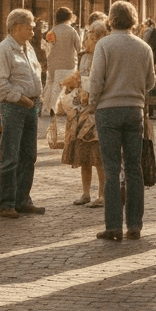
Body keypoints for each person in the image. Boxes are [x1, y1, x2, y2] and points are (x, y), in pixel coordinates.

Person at [88, 1, 155, 241]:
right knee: (134, 168)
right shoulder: (144, 47)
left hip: (108, 109)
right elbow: (150, 82)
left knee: (112, 169)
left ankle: (113, 225)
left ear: (111, 19)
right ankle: (135, 224)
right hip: (134, 109)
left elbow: (96, 80)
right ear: (133, 20)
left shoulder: (104, 45)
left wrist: (92, 102)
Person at [0, 8, 45, 219]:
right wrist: (23, 100)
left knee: (28, 155)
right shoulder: (3, 50)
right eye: (30, 27)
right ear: (16, 27)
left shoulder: (28, 48)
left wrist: (35, 100)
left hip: (31, 106)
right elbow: (1, 84)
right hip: (14, 107)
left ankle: (23, 199)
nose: (33, 30)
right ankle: (6, 203)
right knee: (10, 156)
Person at [60, 20, 108, 207]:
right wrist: (71, 82)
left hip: (97, 109)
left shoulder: (104, 55)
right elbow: (80, 76)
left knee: (98, 156)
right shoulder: (84, 57)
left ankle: (102, 194)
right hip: (82, 109)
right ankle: (86, 193)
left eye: (88, 37)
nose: (85, 40)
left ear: (97, 38)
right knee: (83, 155)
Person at [42, 6, 83, 116]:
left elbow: (47, 48)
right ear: (69, 17)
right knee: (64, 87)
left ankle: (48, 108)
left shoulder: (52, 31)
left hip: (53, 64)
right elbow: (79, 48)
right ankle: (61, 108)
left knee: (51, 84)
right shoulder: (72, 31)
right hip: (68, 64)